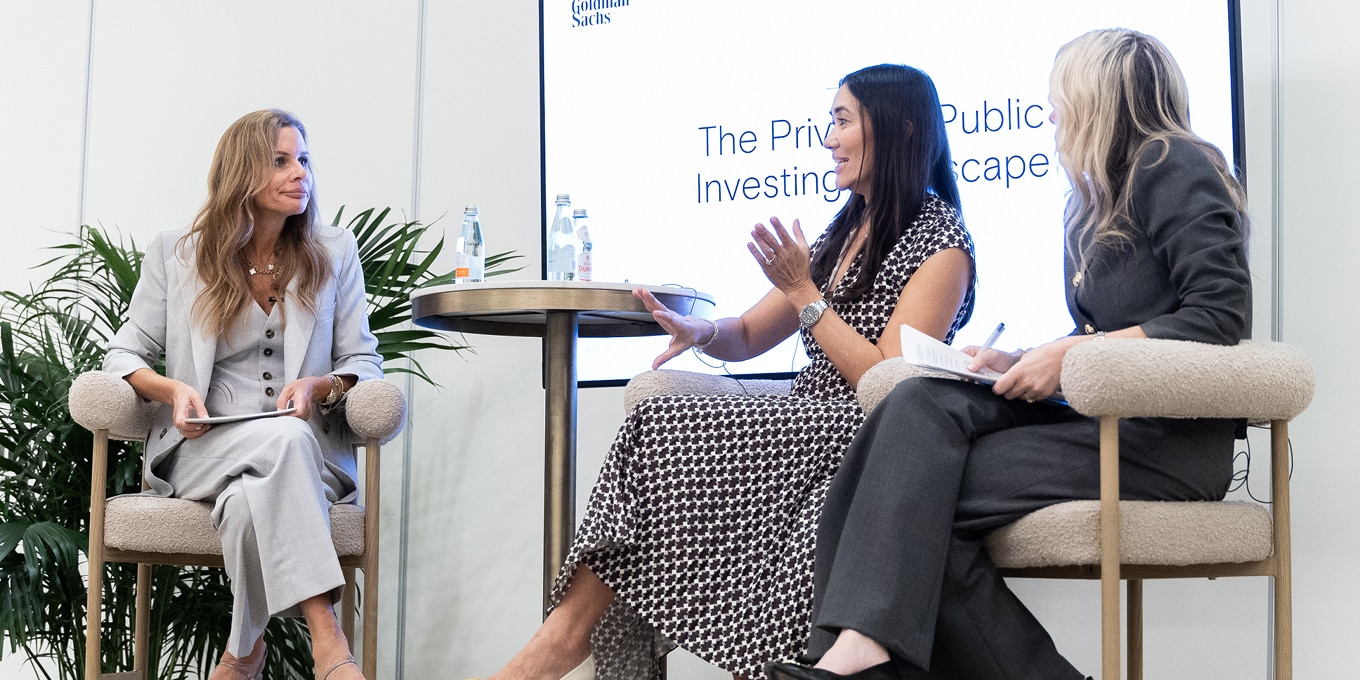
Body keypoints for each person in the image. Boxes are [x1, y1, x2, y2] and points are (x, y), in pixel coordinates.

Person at [765, 29, 1252, 680]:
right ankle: (857, 654)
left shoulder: (1171, 161)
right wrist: (1026, 357)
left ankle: (856, 657)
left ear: (1096, 96)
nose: (1049, 113)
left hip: (1162, 442)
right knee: (917, 407)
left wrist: (1073, 357)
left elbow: (1219, 316)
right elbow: (1114, 328)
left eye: (1058, 96)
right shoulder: (1093, 201)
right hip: (1103, 420)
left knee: (906, 494)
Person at [482, 64, 976, 680]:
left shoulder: (942, 245)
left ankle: (558, 644)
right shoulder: (848, 226)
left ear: (901, 129)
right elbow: (746, 334)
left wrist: (804, 292)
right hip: (804, 423)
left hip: (866, 436)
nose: (828, 139)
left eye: (842, 121)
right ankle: (562, 637)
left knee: (664, 425)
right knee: (658, 421)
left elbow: (885, 381)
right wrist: (700, 334)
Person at [104, 109, 383, 680]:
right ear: (241, 172)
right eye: (280, 161)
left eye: (303, 159)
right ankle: (327, 638)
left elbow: (363, 360)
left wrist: (320, 385)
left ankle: (241, 655)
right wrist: (173, 388)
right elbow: (122, 354)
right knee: (282, 445)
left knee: (248, 504)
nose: (299, 172)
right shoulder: (176, 253)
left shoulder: (334, 251)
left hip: (303, 452)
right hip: (204, 447)